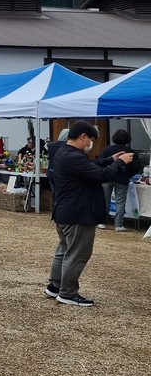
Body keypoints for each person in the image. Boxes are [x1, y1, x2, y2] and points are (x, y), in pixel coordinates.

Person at [46, 121, 133, 307]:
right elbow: (100, 175)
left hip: (65, 211)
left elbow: (91, 167)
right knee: (76, 254)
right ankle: (68, 293)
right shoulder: (74, 156)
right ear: (83, 137)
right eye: (91, 139)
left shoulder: (63, 152)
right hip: (78, 212)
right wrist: (120, 163)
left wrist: (111, 159)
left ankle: (55, 286)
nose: (91, 143)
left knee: (63, 251)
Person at [99, 129, 140, 232]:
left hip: (107, 177)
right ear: (127, 139)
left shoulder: (106, 150)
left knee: (104, 200)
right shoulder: (131, 152)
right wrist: (128, 174)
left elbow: (101, 162)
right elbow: (136, 167)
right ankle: (119, 225)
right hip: (122, 179)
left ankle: (102, 222)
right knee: (120, 202)